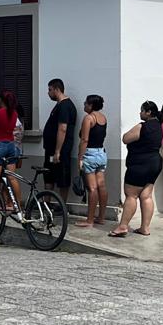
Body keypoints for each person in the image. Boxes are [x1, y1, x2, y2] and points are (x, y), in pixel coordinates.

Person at [110, 101, 163, 238]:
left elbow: (126, 138)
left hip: (140, 164)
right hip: (155, 164)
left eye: (142, 110)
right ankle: (145, 228)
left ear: (148, 112)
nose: (140, 113)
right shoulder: (159, 126)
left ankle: (122, 226)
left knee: (131, 195)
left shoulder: (142, 127)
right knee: (146, 196)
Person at [75, 95, 109, 228]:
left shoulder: (88, 118)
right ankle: (101, 217)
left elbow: (84, 140)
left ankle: (89, 220)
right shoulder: (103, 118)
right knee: (102, 186)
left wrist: (80, 157)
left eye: (86, 103)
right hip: (101, 153)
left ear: (91, 105)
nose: (84, 105)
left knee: (92, 188)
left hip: (90, 154)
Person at [43, 78, 78, 201]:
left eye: (50, 90)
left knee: (62, 176)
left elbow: (62, 128)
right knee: (48, 175)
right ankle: (46, 204)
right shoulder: (59, 105)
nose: (48, 93)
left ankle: (62, 206)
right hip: (51, 150)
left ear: (57, 89)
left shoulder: (65, 106)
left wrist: (58, 151)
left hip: (60, 151)